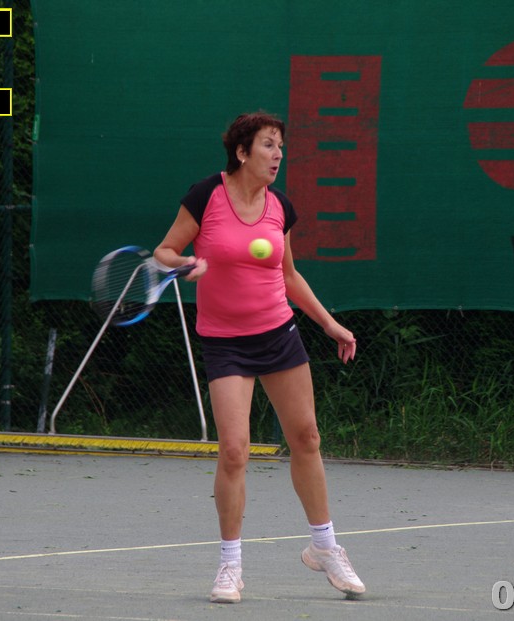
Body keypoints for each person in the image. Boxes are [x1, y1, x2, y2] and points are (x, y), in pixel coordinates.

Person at [154, 111, 366, 604]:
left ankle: (324, 547)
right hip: (225, 342)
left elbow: (288, 276)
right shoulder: (205, 196)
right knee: (234, 450)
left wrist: (329, 324)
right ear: (242, 152)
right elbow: (164, 250)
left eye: (281, 147)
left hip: (278, 335)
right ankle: (230, 566)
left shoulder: (279, 207)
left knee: (306, 437)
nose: (278, 155)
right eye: (269, 145)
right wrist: (184, 263)